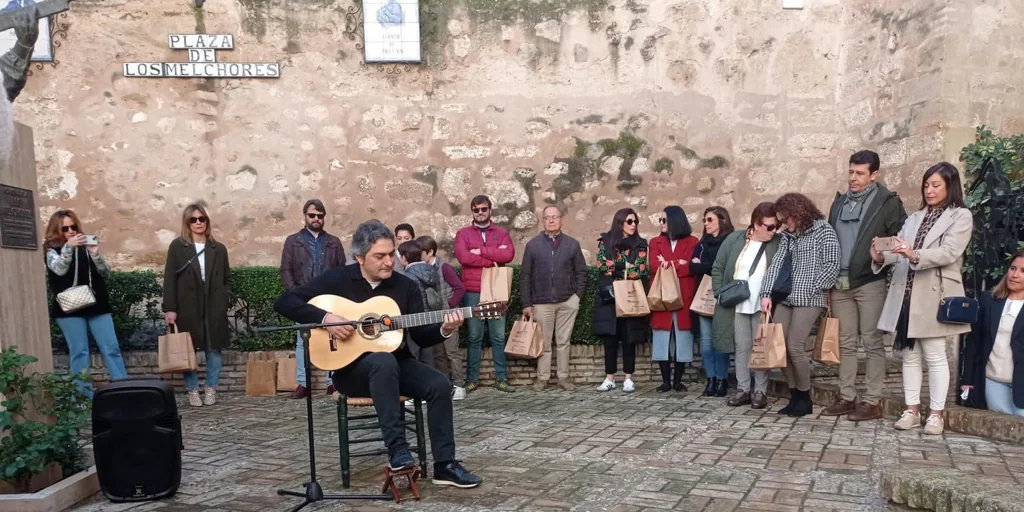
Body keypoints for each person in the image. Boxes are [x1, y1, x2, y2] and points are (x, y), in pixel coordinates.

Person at [273, 220, 482, 488]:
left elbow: (419, 336)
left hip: (397, 363)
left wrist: (444, 328)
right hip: (350, 372)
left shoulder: (405, 286)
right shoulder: (338, 279)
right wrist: (326, 318)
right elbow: (285, 302)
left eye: (391, 255)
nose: (388, 262)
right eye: (379, 256)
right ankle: (398, 451)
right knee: (382, 362)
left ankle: (445, 465)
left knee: (439, 384)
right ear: (359, 257)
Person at [872, 162, 973, 434]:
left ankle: (936, 414)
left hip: (934, 293)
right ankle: (912, 409)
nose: (929, 190)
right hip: (907, 292)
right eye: (926, 185)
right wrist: (882, 255)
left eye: (936, 185)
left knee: (935, 355)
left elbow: (950, 252)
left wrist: (914, 254)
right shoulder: (916, 217)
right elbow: (900, 248)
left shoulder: (960, 216)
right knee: (909, 355)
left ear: (950, 186)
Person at [823, 150, 908, 421]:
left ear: (874, 175)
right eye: (851, 172)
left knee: (872, 342)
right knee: (846, 343)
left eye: (860, 173)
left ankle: (871, 401)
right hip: (839, 284)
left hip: (870, 281)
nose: (853, 178)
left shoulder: (888, 202)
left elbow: (901, 238)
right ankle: (846, 397)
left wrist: (882, 257)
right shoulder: (838, 203)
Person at [760, 193, 841, 417]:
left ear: (797, 213)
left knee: (795, 344)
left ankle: (805, 397)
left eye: (785, 219)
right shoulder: (788, 236)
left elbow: (832, 262)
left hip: (810, 297)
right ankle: (794, 395)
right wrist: (766, 293)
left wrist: (817, 286)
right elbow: (775, 265)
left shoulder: (822, 230)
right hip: (786, 296)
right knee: (780, 345)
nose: (783, 225)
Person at [44, 209, 128, 397]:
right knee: (79, 352)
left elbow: (105, 272)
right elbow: (59, 269)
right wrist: (68, 248)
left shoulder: (85, 247)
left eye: (73, 226)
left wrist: (95, 254)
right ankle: (82, 398)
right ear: (57, 230)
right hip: (68, 307)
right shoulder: (51, 250)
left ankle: (124, 389)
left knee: (111, 348)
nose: (71, 231)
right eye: (65, 228)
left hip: (97, 304)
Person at [163, 203, 231, 408]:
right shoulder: (178, 246)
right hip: (187, 304)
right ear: (187, 223)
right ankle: (193, 390)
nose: (199, 223)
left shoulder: (218, 248)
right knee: (186, 349)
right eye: (194, 219)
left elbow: (227, 277)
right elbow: (170, 279)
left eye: (202, 219)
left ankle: (211, 388)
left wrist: (224, 298)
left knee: (214, 348)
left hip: (213, 304)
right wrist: (170, 308)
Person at [713, 202, 780, 409]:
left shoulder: (776, 242)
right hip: (737, 303)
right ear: (757, 224)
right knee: (742, 347)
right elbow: (719, 266)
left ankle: (760, 391)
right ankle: (743, 389)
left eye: (775, 226)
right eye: (769, 227)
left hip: (763, 304)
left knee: (760, 347)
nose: (773, 231)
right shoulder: (735, 239)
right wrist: (719, 292)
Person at [279, 199, 346, 399]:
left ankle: (332, 382)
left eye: (320, 216)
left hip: (329, 297)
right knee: (303, 341)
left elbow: (342, 269)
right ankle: (303, 383)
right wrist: (295, 294)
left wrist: (338, 294)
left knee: (332, 338)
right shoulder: (293, 241)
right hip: (304, 297)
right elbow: (285, 270)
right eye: (312, 215)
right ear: (305, 217)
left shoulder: (334, 242)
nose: (316, 219)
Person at [520, 205, 588, 392]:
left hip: (567, 301)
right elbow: (525, 275)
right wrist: (527, 303)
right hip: (542, 303)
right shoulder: (533, 245)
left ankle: (563, 378)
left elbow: (582, 273)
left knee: (564, 341)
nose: (551, 220)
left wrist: (576, 298)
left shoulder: (572, 244)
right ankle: (543, 378)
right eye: (547, 217)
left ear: (561, 220)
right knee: (544, 342)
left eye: (554, 217)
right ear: (543, 221)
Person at [454, 195, 516, 393]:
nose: (480, 213)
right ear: (472, 212)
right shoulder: (463, 234)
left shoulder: (501, 233)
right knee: (474, 337)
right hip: (473, 291)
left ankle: (501, 378)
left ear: (490, 210)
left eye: (483, 209)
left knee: (498, 336)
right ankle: (472, 379)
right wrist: (491, 259)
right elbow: (464, 257)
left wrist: (480, 251)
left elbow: (508, 255)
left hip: (497, 291)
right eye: (476, 210)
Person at [960, 250, 1024, 417]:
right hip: (993, 381)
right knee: (1000, 434)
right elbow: (974, 341)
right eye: (1013, 268)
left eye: (1023, 271)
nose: (1015, 275)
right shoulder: (989, 300)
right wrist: (967, 380)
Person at [592, 208, 649, 393]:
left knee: (628, 337)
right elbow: (601, 264)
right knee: (610, 337)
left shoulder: (640, 244)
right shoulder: (605, 241)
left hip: (630, 295)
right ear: (620, 223)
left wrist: (617, 268)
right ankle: (609, 378)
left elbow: (639, 270)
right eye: (629, 221)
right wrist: (625, 266)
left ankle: (628, 378)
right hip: (610, 295)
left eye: (635, 222)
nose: (633, 225)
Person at [648, 206, 699, 392]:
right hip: (662, 295)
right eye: (660, 220)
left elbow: (691, 268)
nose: (660, 223)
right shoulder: (655, 242)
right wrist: (679, 263)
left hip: (684, 296)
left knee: (683, 338)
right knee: (662, 338)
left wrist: (668, 263)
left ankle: (678, 380)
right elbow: (654, 266)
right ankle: (665, 381)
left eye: (664, 220)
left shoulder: (693, 241)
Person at [691, 206, 735, 397]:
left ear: (722, 221)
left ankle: (722, 379)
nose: (706, 224)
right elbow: (693, 268)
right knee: (707, 342)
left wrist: (705, 266)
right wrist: (705, 267)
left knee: (721, 340)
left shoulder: (731, 242)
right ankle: (711, 379)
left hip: (723, 296)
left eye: (710, 220)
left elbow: (728, 268)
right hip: (703, 297)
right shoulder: (701, 245)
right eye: (705, 220)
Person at [417, 235, 468, 400]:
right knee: (438, 354)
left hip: (449, 316)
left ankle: (459, 386)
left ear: (430, 252)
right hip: (434, 318)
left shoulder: (444, 267)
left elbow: (459, 288)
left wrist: (449, 304)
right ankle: (445, 384)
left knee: (452, 352)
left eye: (421, 253)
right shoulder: (420, 269)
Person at [398, 240, 441, 368]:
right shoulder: (431, 270)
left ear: (404, 258)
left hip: (414, 321)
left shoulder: (408, 276)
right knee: (428, 357)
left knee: (414, 356)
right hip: (430, 319)